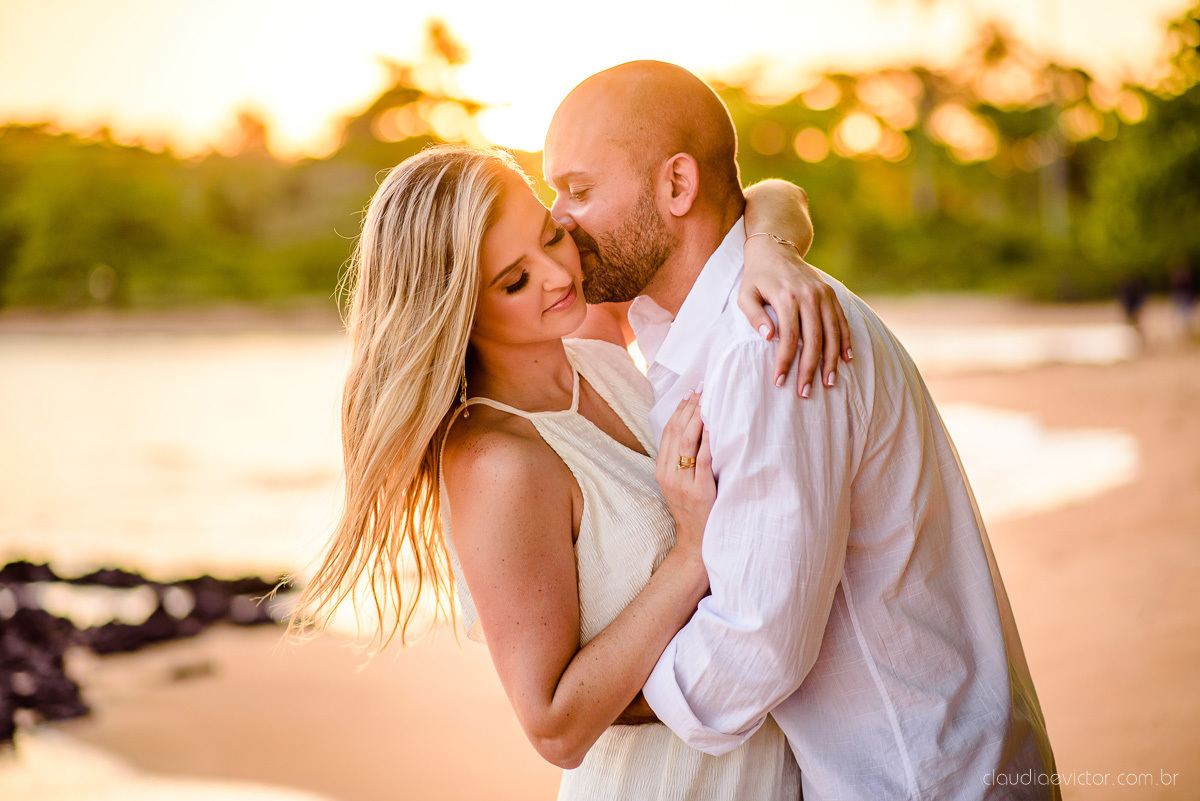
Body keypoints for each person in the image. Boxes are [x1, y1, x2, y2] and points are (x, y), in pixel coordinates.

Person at [543, 61, 1059, 799]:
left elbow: (756, 645)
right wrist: (772, 235)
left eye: (579, 188)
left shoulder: (766, 344)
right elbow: (772, 197)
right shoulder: (691, 331)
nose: (558, 216)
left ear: (677, 186)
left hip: (913, 778)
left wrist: (586, 702)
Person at [286, 144, 853, 798]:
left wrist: (770, 255)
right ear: (456, 307)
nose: (557, 275)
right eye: (513, 281)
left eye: (550, 235)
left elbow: (771, 196)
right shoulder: (501, 461)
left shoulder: (596, 343)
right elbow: (553, 724)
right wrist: (694, 553)